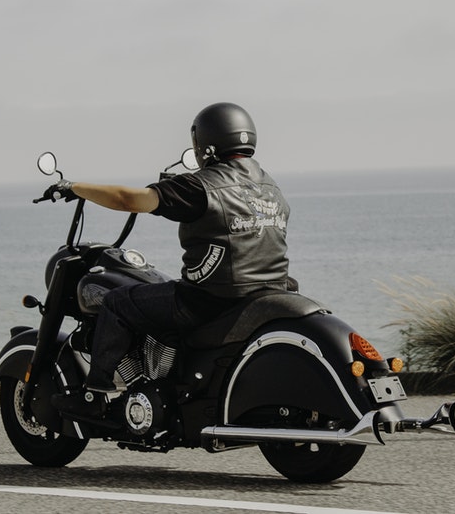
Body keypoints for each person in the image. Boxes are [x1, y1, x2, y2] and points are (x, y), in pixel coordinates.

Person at [48, 102, 291, 422]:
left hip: (209, 300)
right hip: (268, 292)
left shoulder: (200, 185)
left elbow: (129, 200)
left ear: (205, 143)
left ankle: (96, 395)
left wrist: (75, 187)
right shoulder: (269, 186)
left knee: (118, 302)